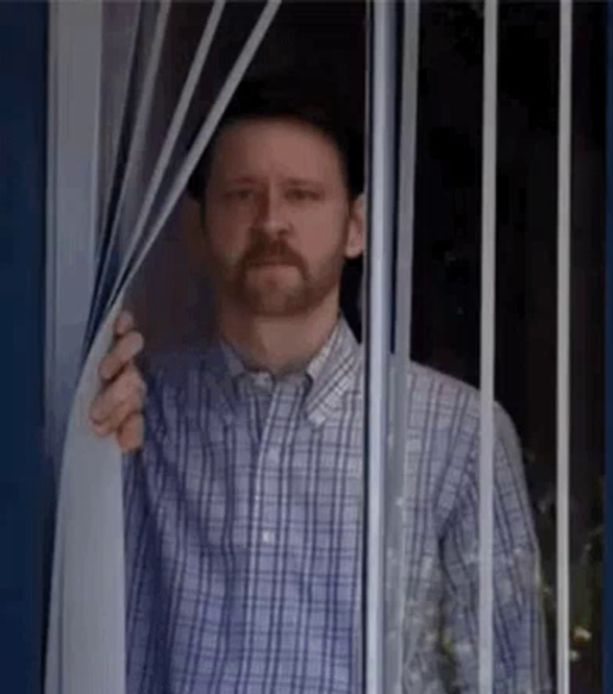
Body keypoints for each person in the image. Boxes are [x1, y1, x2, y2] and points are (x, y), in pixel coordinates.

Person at [89, 79, 549, 693]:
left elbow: (509, 679)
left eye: (302, 196)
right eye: (242, 194)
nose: (271, 221)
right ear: (197, 229)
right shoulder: (136, 415)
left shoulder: (459, 434)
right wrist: (85, 441)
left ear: (355, 228)